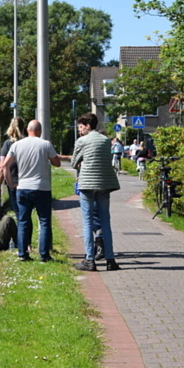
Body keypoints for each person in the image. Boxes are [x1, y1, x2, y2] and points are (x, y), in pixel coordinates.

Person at [1, 120, 61, 262]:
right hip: (42, 188)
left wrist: (10, 184)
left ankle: (23, 254)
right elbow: (57, 163)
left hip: (22, 187)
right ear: (39, 131)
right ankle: (44, 255)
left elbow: (4, 166)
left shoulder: (16, 145)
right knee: (45, 221)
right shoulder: (45, 144)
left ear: (27, 130)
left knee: (23, 221)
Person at [72, 113, 121, 272]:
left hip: (87, 184)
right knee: (105, 221)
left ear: (87, 126)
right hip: (104, 184)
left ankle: (89, 260)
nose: (79, 131)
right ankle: (110, 260)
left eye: (80, 127)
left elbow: (74, 162)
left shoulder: (82, 141)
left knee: (87, 222)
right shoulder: (106, 140)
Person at [0, 116, 26, 217]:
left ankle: (21, 232)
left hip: (13, 182)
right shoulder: (27, 142)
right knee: (26, 212)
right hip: (27, 181)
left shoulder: (8, 144)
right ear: (23, 127)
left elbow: (2, 167)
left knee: (18, 213)